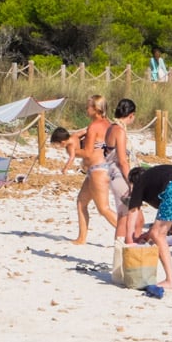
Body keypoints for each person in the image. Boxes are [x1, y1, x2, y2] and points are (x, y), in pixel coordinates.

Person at [120, 164, 172, 289]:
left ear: (132, 182)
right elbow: (165, 221)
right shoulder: (156, 177)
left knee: (157, 234)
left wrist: (129, 239)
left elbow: (133, 212)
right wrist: (148, 234)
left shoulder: (140, 182)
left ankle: (170, 280)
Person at [73, 95, 119, 245]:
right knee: (81, 201)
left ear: (96, 109)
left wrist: (72, 150)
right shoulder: (109, 124)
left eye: (88, 107)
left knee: (103, 208)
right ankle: (81, 238)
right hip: (104, 168)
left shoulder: (94, 127)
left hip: (98, 170)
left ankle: (130, 234)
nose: (86, 109)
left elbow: (87, 152)